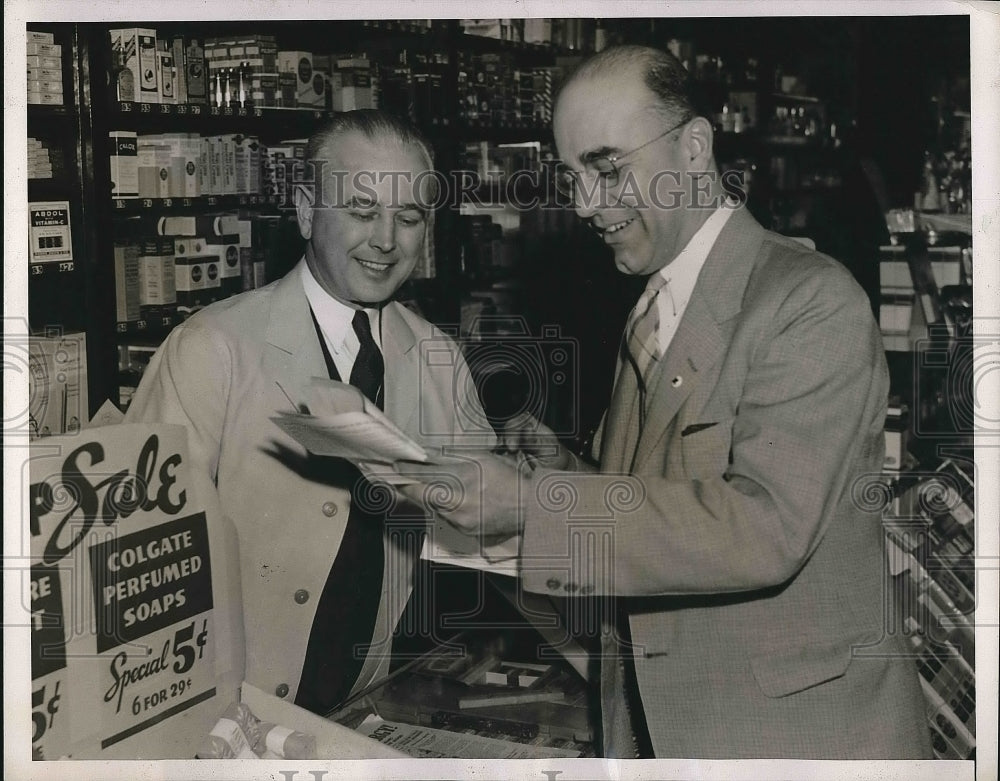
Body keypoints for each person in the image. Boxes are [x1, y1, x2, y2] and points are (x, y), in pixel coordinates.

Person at [396, 46, 932, 759]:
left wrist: (532, 502)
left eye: (608, 168)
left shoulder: (809, 300)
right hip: (668, 726)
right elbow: (656, 499)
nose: (586, 204)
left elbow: (764, 526)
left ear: (696, 147)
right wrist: (561, 465)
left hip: (790, 739)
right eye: (573, 178)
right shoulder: (655, 303)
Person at [126, 110, 494, 714]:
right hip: (219, 708)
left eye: (409, 218)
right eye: (361, 210)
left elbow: (485, 532)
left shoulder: (438, 357)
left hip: (359, 700)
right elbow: (141, 560)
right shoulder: (212, 348)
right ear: (304, 210)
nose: (385, 240)